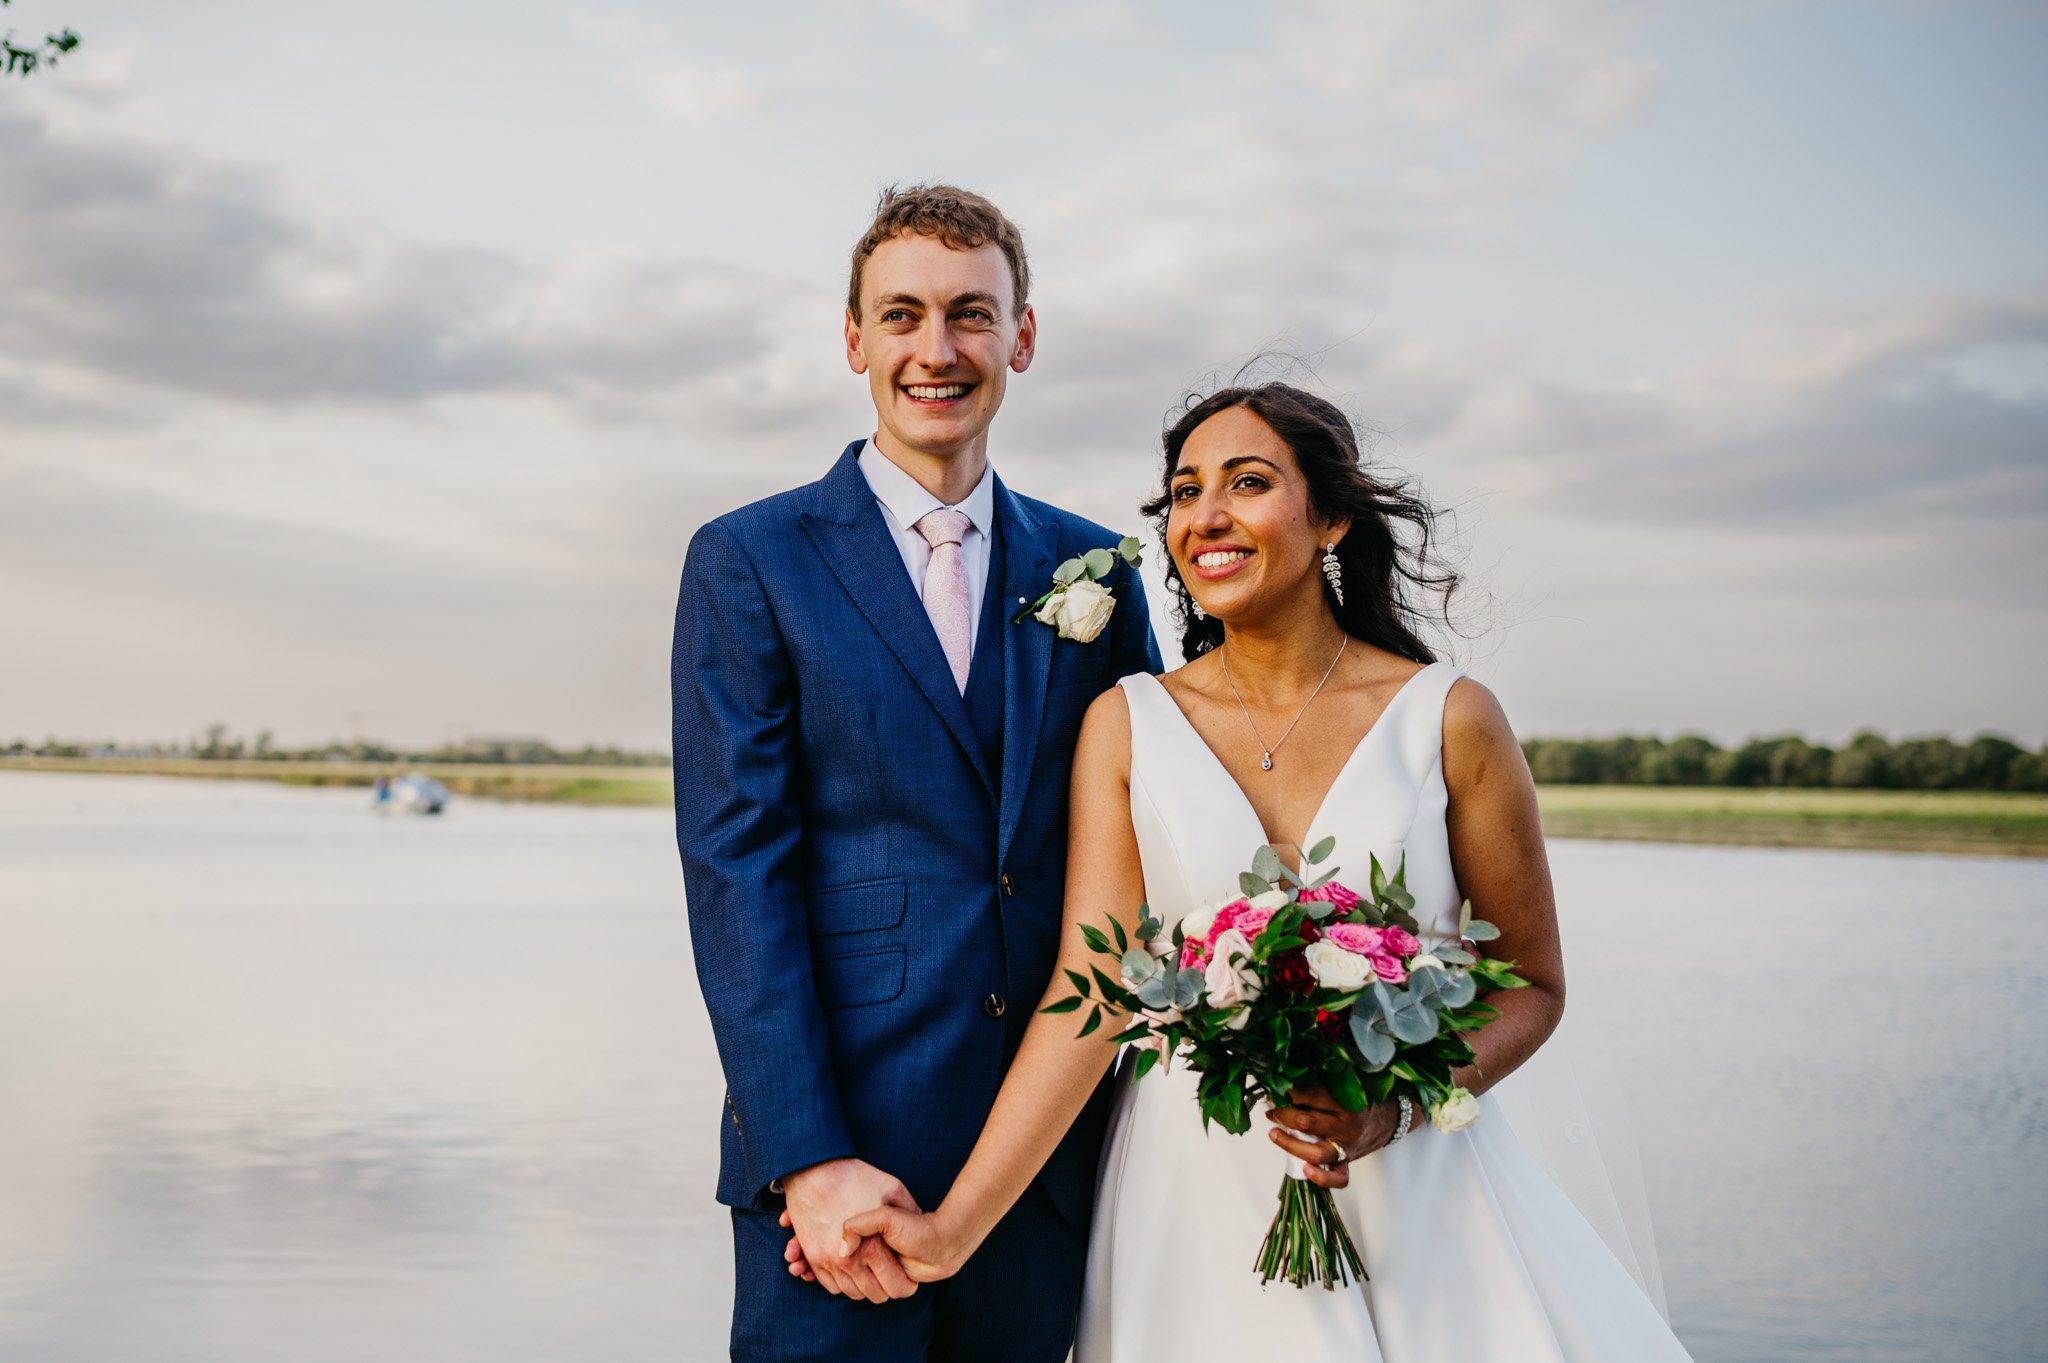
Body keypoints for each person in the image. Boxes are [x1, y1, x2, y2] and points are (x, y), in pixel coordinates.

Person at [832, 383, 1694, 1360]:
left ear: (1330, 517)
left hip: (1416, 1198)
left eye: (1246, 482)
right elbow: (1091, 991)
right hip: (1189, 1199)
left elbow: (1531, 983)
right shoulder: (1126, 724)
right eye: (1185, 492)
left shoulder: (1450, 719)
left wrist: (1388, 1108)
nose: (1206, 515)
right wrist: (953, 1230)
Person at [670, 184, 1162, 1362]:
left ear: (1021, 337)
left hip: (1044, 1170)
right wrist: (808, 1155)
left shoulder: (1093, 569)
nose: (934, 350)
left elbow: (1152, 849)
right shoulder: (749, 559)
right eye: (900, 316)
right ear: (854, 340)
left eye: (970, 315)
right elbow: (737, 873)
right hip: (839, 1181)